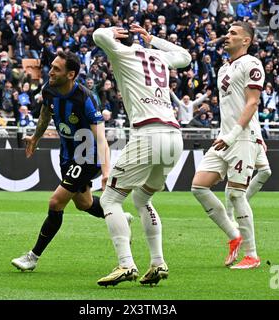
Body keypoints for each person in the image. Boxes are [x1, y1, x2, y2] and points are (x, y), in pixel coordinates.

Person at [93, 24, 191, 286]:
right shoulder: (158, 56)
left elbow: (98, 35)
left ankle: (125, 264)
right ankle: (158, 262)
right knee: (142, 198)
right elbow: (185, 56)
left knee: (110, 200)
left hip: (148, 133)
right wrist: (155, 40)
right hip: (174, 136)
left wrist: (110, 31)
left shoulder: (122, 54)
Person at [11, 51, 115, 271]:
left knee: (56, 202)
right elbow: (45, 115)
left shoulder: (86, 99)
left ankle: (32, 257)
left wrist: (106, 172)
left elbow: (102, 139)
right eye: (52, 66)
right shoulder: (49, 89)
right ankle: (116, 216)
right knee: (84, 203)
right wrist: (36, 137)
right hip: (67, 155)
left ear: (71, 74)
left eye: (57, 69)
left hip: (87, 156)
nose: (51, 71)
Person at [191, 21, 265, 269]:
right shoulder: (224, 68)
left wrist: (234, 134)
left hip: (241, 137)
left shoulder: (252, 63)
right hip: (226, 137)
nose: (227, 36)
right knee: (199, 186)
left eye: (233, 33)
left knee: (235, 193)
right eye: (227, 32)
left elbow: (252, 102)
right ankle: (235, 236)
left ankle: (252, 255)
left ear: (246, 40)